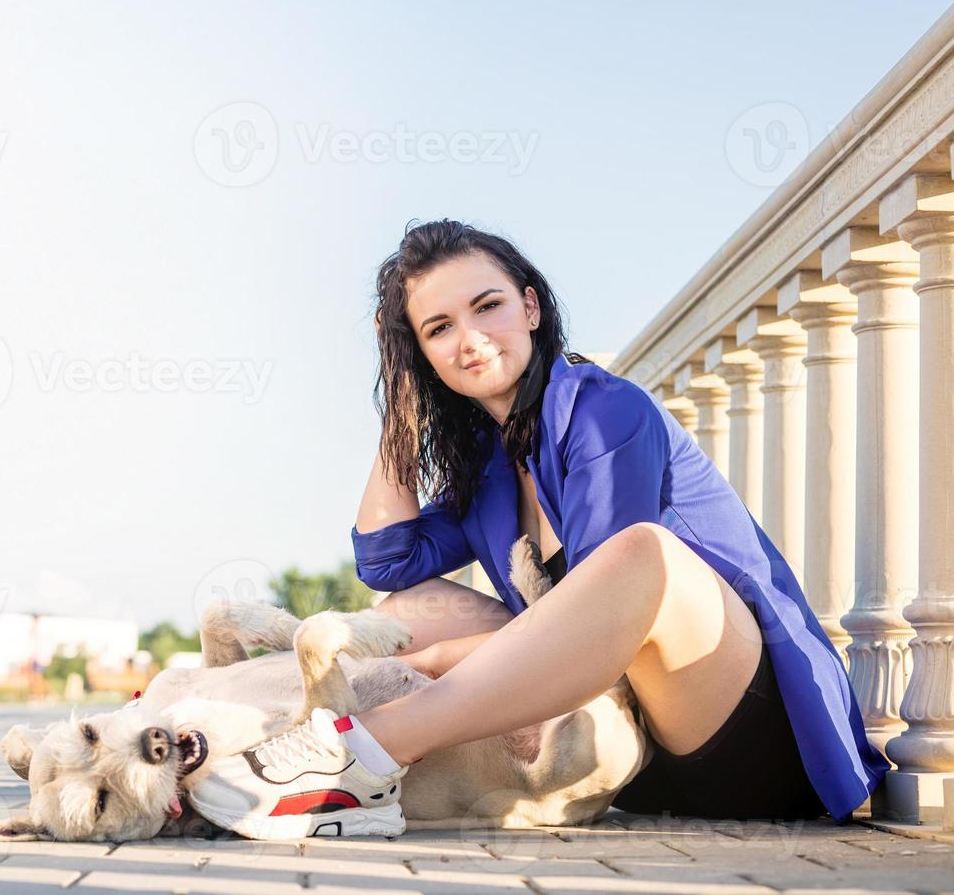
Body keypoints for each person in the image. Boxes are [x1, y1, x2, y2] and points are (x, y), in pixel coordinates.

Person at [188, 220, 887, 839]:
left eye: (486, 306)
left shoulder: (607, 410)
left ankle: (356, 755)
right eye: (437, 330)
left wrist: (431, 668)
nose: (469, 340)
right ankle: (239, 725)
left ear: (529, 306)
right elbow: (389, 558)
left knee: (643, 556)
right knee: (410, 610)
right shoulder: (490, 471)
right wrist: (399, 394)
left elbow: (608, 610)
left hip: (744, 740)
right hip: (635, 765)